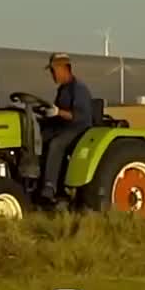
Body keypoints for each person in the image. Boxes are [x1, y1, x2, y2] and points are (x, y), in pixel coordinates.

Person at [39, 52, 93, 202]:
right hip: (63, 127)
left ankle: (50, 186)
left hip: (79, 128)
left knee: (56, 144)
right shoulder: (62, 89)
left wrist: (58, 112)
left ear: (64, 68)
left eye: (53, 70)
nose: (52, 75)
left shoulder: (79, 88)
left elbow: (78, 116)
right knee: (37, 139)